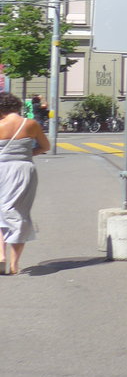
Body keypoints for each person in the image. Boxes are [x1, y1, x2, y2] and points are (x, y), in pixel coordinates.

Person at [0, 90, 50, 275]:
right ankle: (14, 264)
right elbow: (45, 146)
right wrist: (27, 154)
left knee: (1, 211)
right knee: (20, 213)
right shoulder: (31, 124)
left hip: (1, 169)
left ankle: (1, 256)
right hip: (23, 170)